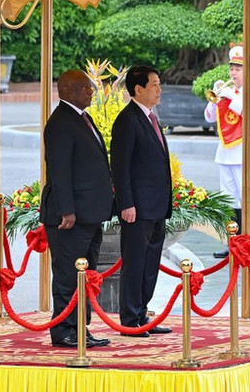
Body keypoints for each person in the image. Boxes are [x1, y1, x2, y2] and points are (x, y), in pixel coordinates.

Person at [40, 69, 113, 349]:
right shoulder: (60, 122)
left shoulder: (82, 119)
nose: (91, 91)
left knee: (86, 275)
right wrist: (67, 210)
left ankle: (80, 328)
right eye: (85, 88)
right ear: (67, 91)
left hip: (90, 213)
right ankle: (63, 331)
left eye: (91, 87)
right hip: (69, 216)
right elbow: (59, 170)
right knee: (69, 276)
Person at [111, 65, 173, 336]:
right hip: (138, 207)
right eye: (154, 84)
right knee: (135, 262)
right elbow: (120, 167)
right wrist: (126, 203)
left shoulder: (150, 118)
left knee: (150, 263)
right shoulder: (128, 120)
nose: (159, 89)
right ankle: (129, 318)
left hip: (156, 205)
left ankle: (142, 314)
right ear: (139, 89)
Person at [205, 46, 250, 258]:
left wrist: (232, 96)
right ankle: (232, 242)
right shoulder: (226, 92)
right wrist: (215, 99)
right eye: (232, 68)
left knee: (247, 198)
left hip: (246, 152)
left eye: (238, 69)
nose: (233, 73)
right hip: (225, 152)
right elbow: (209, 118)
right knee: (230, 199)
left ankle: (247, 242)